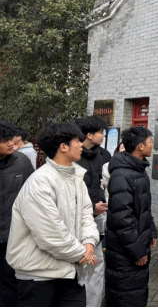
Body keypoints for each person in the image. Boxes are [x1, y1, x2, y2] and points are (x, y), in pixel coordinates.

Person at [7, 123, 99, 307]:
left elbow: (86, 214)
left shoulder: (76, 177)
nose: (81, 145)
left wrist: (89, 242)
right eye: (77, 141)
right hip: (39, 275)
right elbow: (50, 235)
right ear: (63, 147)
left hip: (71, 271)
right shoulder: (40, 182)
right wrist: (83, 253)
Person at [105, 126, 157, 307]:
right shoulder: (121, 175)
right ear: (140, 146)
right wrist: (138, 250)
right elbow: (122, 219)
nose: (152, 145)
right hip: (125, 253)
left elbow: (143, 207)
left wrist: (151, 230)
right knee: (125, 298)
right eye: (150, 142)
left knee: (135, 295)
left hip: (135, 246)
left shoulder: (138, 169)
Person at [75, 116, 111, 307]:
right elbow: (73, 192)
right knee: (80, 266)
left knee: (97, 266)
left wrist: (101, 201)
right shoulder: (74, 157)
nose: (104, 135)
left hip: (95, 220)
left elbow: (98, 184)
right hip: (77, 222)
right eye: (101, 132)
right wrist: (91, 206)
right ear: (89, 135)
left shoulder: (100, 155)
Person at [0, 121, 35, 307]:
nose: (11, 143)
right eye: (4, 140)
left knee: (11, 283)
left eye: (11, 138)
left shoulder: (21, 161)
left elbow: (33, 195)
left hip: (12, 236)